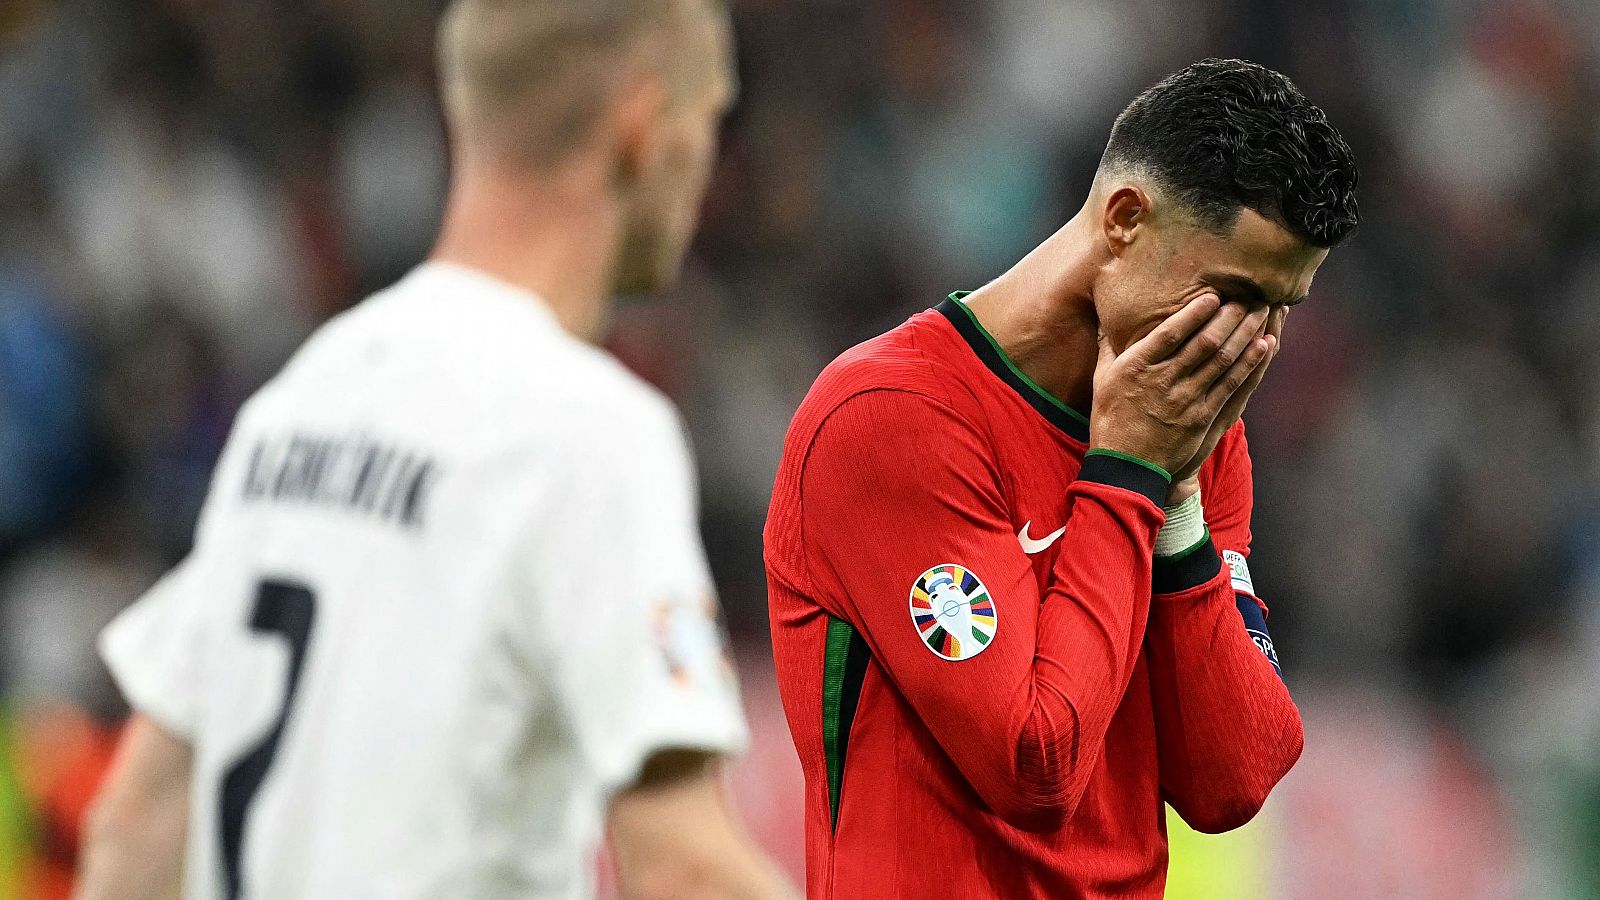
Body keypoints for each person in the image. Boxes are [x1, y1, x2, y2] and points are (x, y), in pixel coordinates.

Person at [73, 1, 794, 898]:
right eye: (705, 123)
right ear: (643, 127)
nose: (706, 168)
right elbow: (684, 867)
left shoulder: (306, 396)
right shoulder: (587, 431)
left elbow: (139, 817)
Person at [765, 58, 1359, 898]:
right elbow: (1034, 763)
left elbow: (1234, 780)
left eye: (1281, 310)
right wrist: (1129, 476)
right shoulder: (890, 418)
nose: (1253, 344)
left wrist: (1178, 506)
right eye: (1236, 294)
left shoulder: (1196, 436)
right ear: (1124, 220)